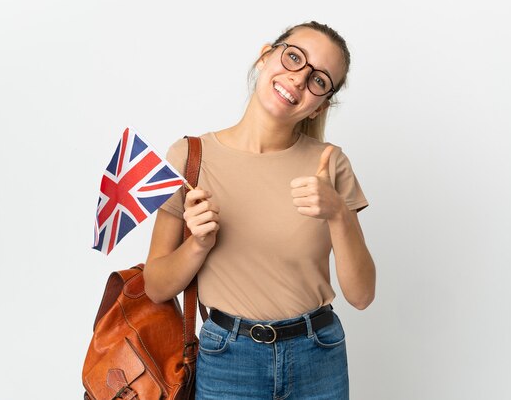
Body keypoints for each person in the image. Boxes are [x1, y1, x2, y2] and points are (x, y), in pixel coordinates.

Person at [144, 21, 376, 399]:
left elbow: (362, 295)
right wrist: (199, 244)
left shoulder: (330, 163)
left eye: (319, 80)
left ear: (322, 103)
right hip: (227, 358)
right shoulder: (189, 158)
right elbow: (156, 287)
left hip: (319, 355)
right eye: (294, 57)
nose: (300, 80)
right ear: (266, 54)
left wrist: (338, 213)